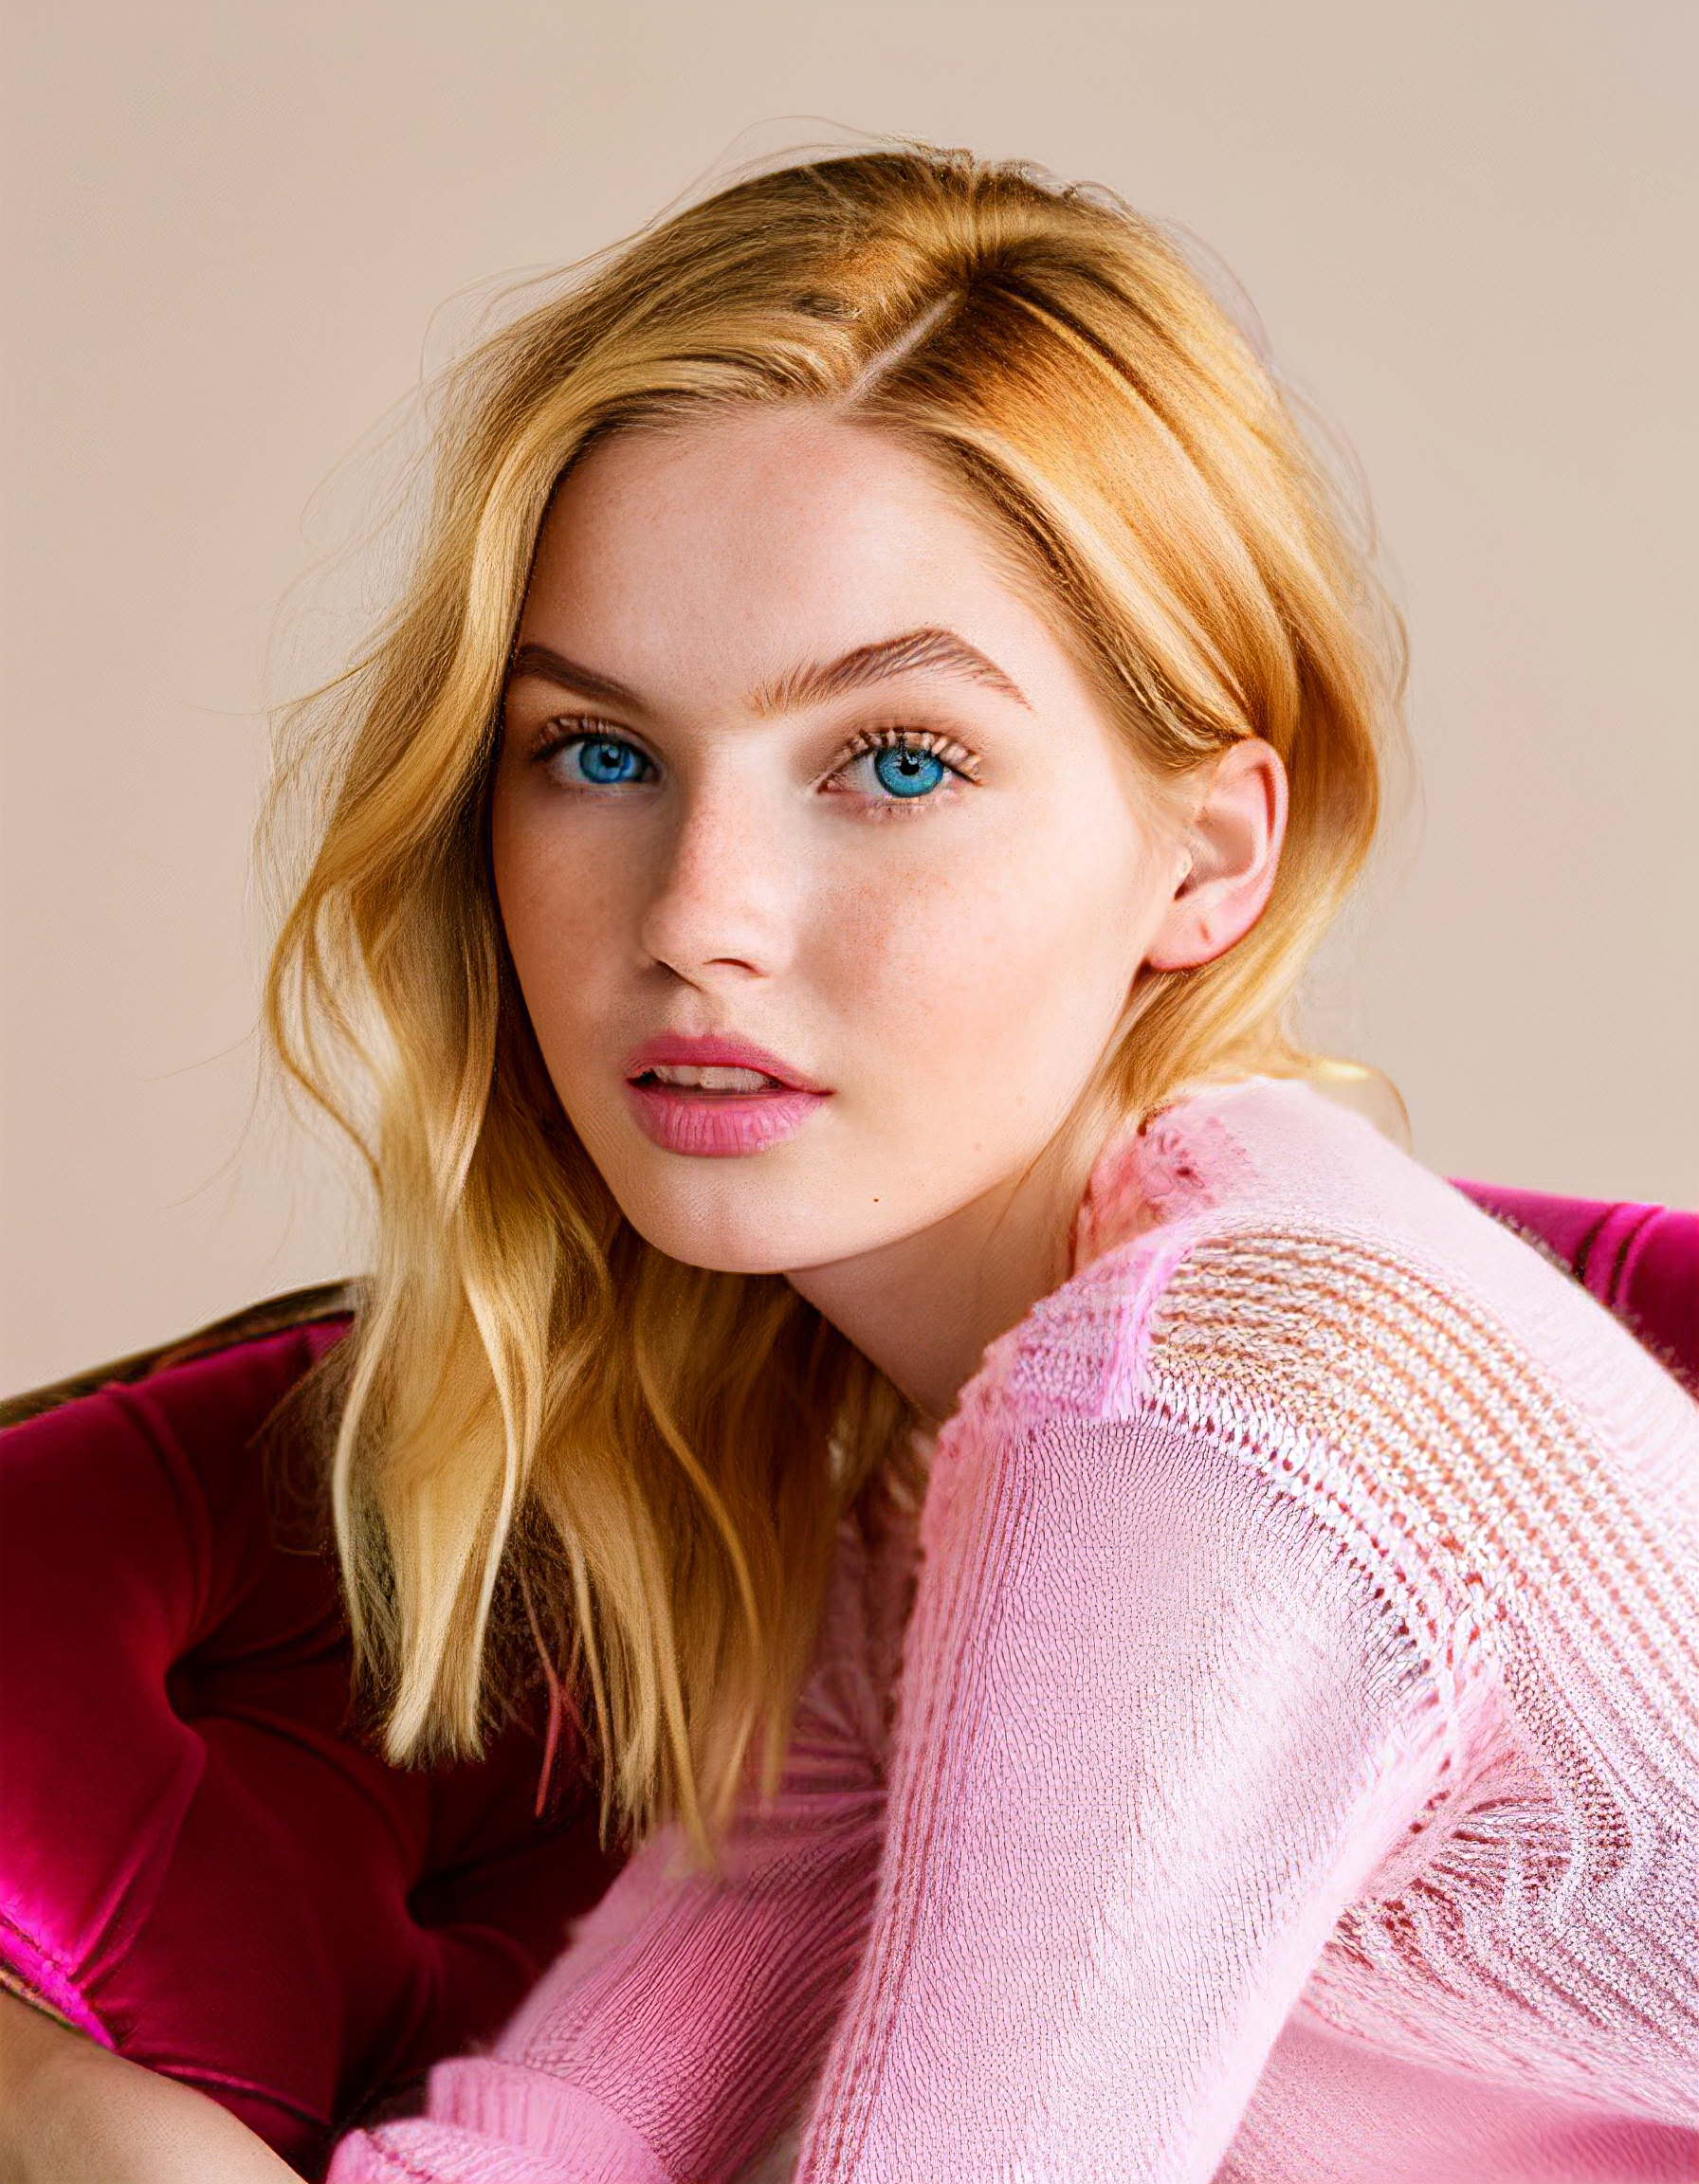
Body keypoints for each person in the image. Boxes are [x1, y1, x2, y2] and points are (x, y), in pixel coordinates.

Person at [9, 145, 1698, 2183]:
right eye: (598, 753)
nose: (695, 914)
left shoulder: (1205, 1401)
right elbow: (566, 2141)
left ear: (1207, 855)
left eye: (894, 763)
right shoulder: (921, 1451)